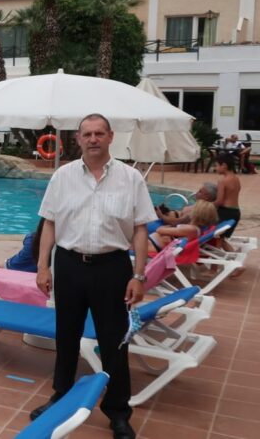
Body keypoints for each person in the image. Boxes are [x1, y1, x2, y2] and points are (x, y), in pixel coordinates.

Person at [33, 113, 153, 439]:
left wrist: (139, 275)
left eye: (99, 133)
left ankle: (118, 412)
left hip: (113, 267)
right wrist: (43, 266)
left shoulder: (131, 178)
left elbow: (140, 229)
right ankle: (60, 395)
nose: (93, 139)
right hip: (69, 265)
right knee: (66, 335)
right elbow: (49, 223)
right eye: (87, 134)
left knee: (114, 342)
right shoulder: (62, 176)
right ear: (78, 138)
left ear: (110, 136)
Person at [149, 200, 219, 252]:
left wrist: (163, 228)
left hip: (152, 245)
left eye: (192, 210)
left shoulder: (191, 229)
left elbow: (159, 230)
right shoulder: (195, 229)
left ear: (196, 214)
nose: (190, 211)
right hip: (153, 243)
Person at [214, 154, 242, 241]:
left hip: (225, 212)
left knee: (216, 239)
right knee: (221, 240)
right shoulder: (236, 179)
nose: (215, 168)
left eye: (216, 165)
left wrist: (205, 205)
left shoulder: (222, 181)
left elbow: (219, 201)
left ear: (224, 165)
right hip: (236, 212)